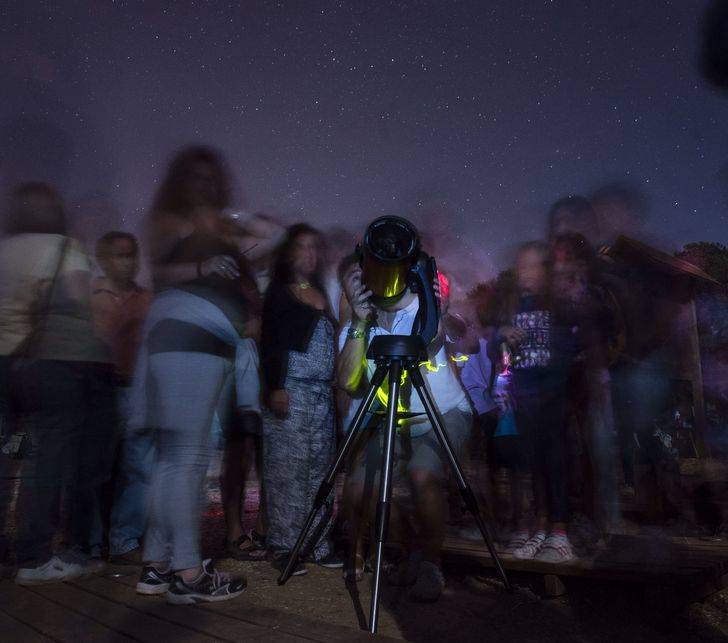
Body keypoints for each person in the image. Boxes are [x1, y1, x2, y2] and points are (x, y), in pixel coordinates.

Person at [130, 146, 255, 604]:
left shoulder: (211, 224)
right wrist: (203, 265)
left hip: (189, 338)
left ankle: (157, 564)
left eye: (210, 178)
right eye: (195, 177)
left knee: (173, 457)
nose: (204, 186)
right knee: (186, 456)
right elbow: (160, 270)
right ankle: (187, 572)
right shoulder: (173, 222)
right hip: (189, 336)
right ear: (181, 181)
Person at [338, 244, 472, 602]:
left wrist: (438, 310)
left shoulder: (421, 303)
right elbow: (350, 382)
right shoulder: (358, 322)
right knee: (359, 486)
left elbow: (437, 338)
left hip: (442, 413)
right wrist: (358, 321)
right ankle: (412, 549)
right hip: (394, 419)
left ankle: (431, 563)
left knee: (421, 475)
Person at [0, 183, 115, 584]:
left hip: (3, 369)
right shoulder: (64, 249)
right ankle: (33, 557)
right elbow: (78, 301)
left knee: (8, 452)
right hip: (42, 367)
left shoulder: (5, 248)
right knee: (44, 461)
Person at [260, 224, 342, 576]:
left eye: (314, 247)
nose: (308, 253)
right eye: (301, 246)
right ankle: (283, 545)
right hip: (291, 391)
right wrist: (276, 386)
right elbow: (271, 342)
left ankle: (318, 544)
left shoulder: (322, 292)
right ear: (288, 252)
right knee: (286, 472)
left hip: (321, 395)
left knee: (318, 472)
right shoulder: (280, 292)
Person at [491, 241, 575, 563]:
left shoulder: (559, 304)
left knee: (555, 459)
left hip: (553, 393)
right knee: (534, 463)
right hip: (524, 395)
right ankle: (540, 529)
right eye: (521, 266)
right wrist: (501, 335)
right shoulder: (512, 306)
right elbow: (494, 353)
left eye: (533, 265)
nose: (526, 272)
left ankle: (560, 531)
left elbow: (573, 343)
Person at [91, 231, 153, 562]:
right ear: (103, 259)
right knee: (99, 470)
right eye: (119, 255)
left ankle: (123, 539)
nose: (127, 262)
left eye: (131, 255)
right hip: (100, 391)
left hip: (134, 389)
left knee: (137, 470)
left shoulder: (147, 300)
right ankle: (91, 541)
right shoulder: (90, 296)